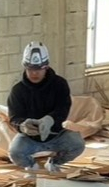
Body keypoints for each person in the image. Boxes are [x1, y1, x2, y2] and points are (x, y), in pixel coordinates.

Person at [7, 41, 84, 173]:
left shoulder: (59, 84)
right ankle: (31, 166)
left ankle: (54, 163)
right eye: (30, 69)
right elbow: (14, 117)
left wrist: (50, 120)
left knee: (77, 144)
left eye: (38, 69)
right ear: (25, 67)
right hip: (29, 138)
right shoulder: (18, 90)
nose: (34, 73)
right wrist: (23, 126)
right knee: (15, 152)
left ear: (46, 67)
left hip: (56, 134)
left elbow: (63, 108)